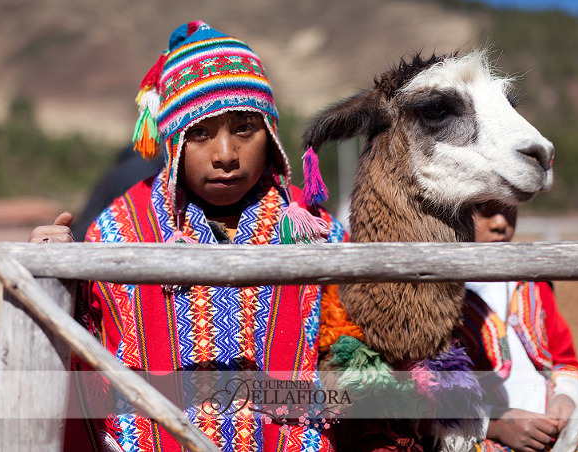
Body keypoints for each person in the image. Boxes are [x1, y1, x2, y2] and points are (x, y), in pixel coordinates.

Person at [30, 20, 346, 452]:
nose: (226, 155)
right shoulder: (121, 229)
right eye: (200, 133)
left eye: (245, 128)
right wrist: (58, 273)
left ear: (270, 133)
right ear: (173, 141)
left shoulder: (314, 228)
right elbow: (83, 350)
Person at [457, 202, 578, 452]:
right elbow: (427, 396)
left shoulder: (534, 286)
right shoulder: (440, 302)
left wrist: (565, 397)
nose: (499, 223)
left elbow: (565, 362)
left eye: (508, 208)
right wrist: (496, 425)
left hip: (551, 438)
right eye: (482, 207)